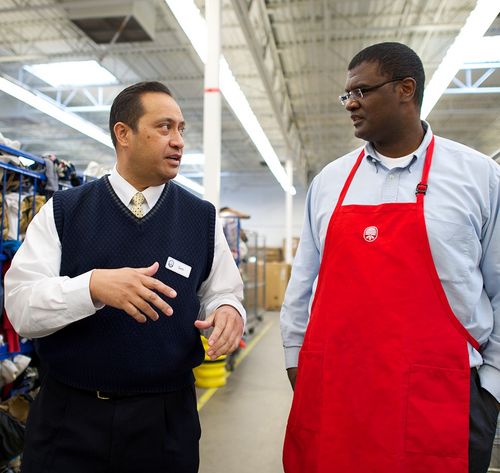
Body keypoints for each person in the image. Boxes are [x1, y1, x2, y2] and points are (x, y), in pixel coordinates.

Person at [280, 42, 500, 473]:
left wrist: (490, 389)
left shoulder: (478, 176)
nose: (351, 104)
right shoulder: (331, 181)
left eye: (361, 91)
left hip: (442, 401)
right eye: (347, 95)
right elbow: (302, 284)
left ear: (405, 89)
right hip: (340, 397)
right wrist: (297, 360)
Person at [4, 81, 245, 473]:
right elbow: (20, 307)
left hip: (165, 422)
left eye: (181, 129)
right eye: (164, 127)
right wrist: (92, 286)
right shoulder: (64, 211)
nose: (178, 141)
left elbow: (223, 292)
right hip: (70, 420)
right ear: (123, 134)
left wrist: (229, 311)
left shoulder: (201, 218)